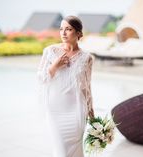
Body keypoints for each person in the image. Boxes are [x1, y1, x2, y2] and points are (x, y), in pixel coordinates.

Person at [37, 15, 95, 157]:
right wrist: (55, 66)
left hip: (76, 111)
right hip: (55, 109)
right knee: (61, 151)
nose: (63, 33)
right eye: (61, 29)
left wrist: (90, 110)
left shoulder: (87, 58)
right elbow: (40, 78)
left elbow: (86, 87)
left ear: (79, 33)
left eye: (68, 29)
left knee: (76, 151)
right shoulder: (50, 52)